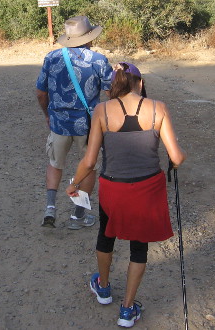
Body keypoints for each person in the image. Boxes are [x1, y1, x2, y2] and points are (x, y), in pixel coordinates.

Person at [66, 62, 186, 328]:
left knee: (106, 236)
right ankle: (127, 309)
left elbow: (89, 160)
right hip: (148, 187)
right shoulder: (159, 108)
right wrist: (176, 163)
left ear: (113, 85)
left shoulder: (101, 111)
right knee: (139, 247)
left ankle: (104, 287)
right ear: (140, 83)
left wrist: (74, 182)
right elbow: (176, 156)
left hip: (113, 187)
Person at [36, 16, 113, 229]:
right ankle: (77, 216)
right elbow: (110, 93)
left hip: (59, 122)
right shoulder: (98, 60)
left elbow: (41, 93)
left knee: (54, 163)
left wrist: (47, 114)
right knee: (88, 166)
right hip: (88, 125)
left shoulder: (51, 58)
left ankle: (50, 208)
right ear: (89, 37)